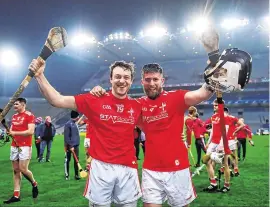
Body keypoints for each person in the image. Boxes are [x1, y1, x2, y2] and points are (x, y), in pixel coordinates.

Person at [90, 63, 215, 206]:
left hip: (177, 168)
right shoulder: (138, 105)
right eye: (147, 80)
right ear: (142, 81)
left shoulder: (177, 97)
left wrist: (213, 75)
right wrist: (99, 93)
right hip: (151, 170)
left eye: (155, 79)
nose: (151, 83)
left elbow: (202, 94)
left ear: (162, 81)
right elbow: (115, 104)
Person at [29, 60, 142, 207]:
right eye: (118, 76)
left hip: (128, 168)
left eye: (126, 77)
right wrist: (39, 76)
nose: (122, 81)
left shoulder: (138, 106)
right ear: (111, 79)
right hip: (101, 168)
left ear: (132, 81)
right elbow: (57, 100)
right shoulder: (94, 100)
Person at [203, 101, 244, 193]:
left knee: (225, 164)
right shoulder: (213, 116)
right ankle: (213, 183)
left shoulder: (225, 117)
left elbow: (224, 131)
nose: (214, 106)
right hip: (213, 142)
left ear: (221, 106)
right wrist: (208, 142)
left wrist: (221, 145)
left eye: (216, 105)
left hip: (223, 143)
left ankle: (227, 185)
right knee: (206, 161)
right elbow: (213, 131)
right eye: (213, 105)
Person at [3, 98, 38, 204]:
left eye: (17, 104)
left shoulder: (29, 115)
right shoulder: (14, 116)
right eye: (14, 104)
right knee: (16, 170)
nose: (14, 106)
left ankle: (34, 183)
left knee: (23, 169)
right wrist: (9, 132)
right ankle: (16, 195)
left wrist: (15, 133)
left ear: (23, 105)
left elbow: (30, 131)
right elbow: (13, 129)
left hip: (25, 146)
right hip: (14, 145)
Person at [64, 110, 81, 180]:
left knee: (76, 160)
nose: (79, 117)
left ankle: (76, 175)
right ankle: (67, 175)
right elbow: (66, 137)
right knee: (67, 160)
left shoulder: (75, 123)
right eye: (78, 116)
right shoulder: (68, 124)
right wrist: (71, 146)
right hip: (69, 146)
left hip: (76, 146)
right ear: (76, 116)